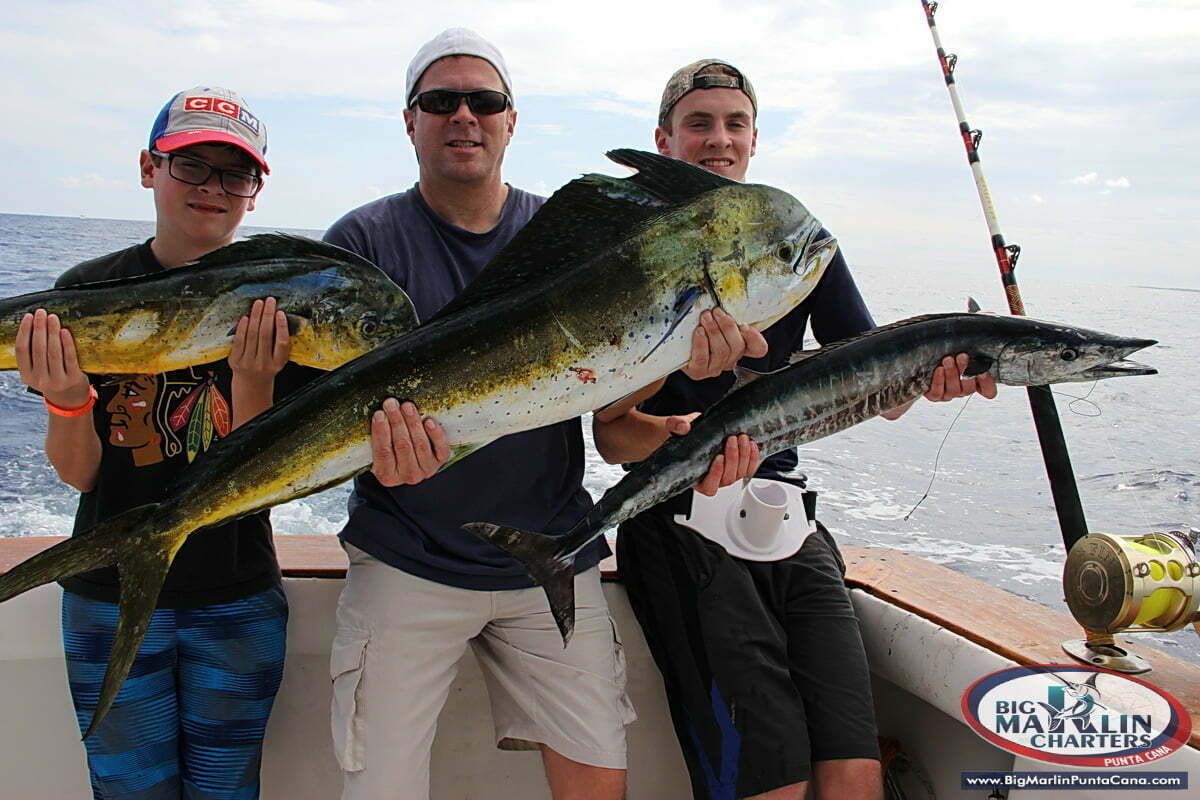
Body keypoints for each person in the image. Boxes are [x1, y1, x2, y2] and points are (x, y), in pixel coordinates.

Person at [593, 60, 998, 800]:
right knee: (770, 782)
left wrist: (939, 377)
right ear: (664, 140)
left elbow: (882, 393)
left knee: (855, 774)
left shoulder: (798, 243)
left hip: (787, 519)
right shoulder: (632, 255)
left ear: (754, 139)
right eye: (698, 124)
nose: (719, 140)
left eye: (735, 124)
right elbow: (612, 438)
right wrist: (683, 427)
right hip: (675, 519)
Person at [321, 29, 636, 800]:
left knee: (601, 783)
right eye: (441, 101)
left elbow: (610, 398)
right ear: (410, 121)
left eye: (484, 101)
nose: (464, 115)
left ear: (511, 121)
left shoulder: (568, 239)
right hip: (407, 554)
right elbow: (318, 417)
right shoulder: (359, 242)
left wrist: (686, 362)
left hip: (551, 554)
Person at [14, 86, 307, 799]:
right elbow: (80, 473)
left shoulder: (285, 302)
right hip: (106, 593)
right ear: (150, 168)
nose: (212, 188)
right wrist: (67, 399)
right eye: (191, 165)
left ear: (255, 193)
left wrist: (254, 382)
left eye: (234, 174)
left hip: (236, 595)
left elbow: (265, 478)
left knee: (227, 789)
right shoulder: (87, 290)